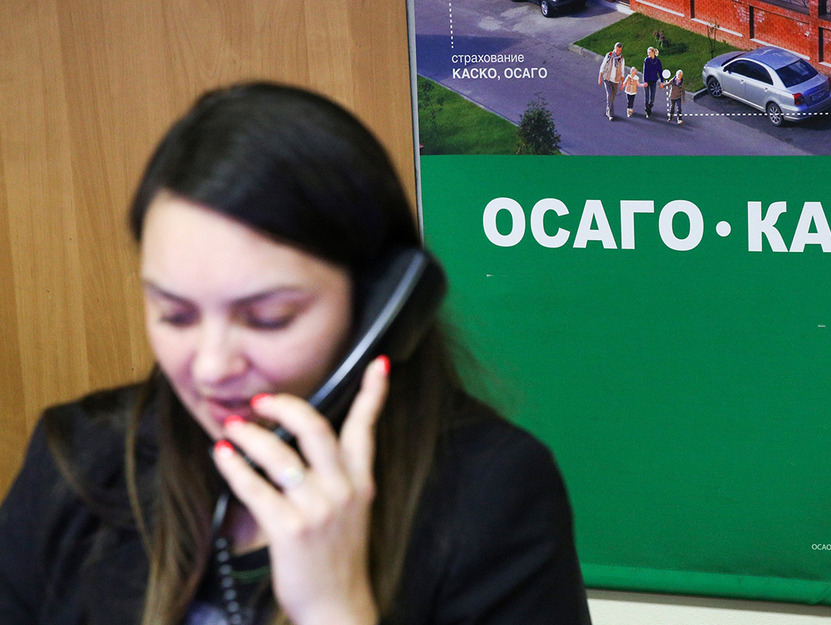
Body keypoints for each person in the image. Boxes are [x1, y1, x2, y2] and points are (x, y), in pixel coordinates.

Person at [0, 82, 592, 625]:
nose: (211, 368)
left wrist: (336, 609)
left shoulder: (493, 497)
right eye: (175, 314)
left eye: (268, 318)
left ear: (379, 306)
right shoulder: (77, 461)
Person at [597, 42, 625, 121]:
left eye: (619, 50)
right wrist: (600, 78)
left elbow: (622, 72)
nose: (618, 52)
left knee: (612, 98)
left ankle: (608, 110)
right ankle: (610, 114)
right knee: (609, 95)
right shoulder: (609, 55)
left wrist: (622, 83)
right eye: (617, 50)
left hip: (616, 81)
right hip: (607, 78)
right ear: (614, 48)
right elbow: (602, 66)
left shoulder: (621, 59)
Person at [641, 47, 663, 119]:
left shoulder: (658, 61)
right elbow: (645, 71)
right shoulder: (647, 60)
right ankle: (647, 111)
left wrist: (662, 81)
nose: (648, 54)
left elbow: (660, 71)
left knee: (652, 98)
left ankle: (649, 107)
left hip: (653, 80)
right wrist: (645, 81)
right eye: (648, 52)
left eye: (650, 52)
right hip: (647, 81)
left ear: (653, 52)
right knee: (647, 97)